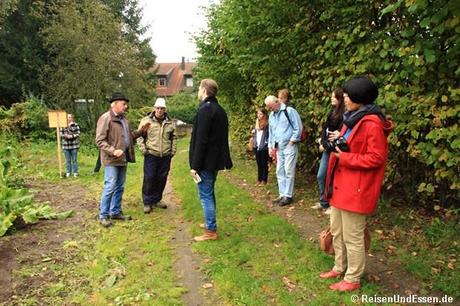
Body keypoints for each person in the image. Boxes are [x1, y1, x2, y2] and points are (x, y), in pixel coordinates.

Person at [320, 76, 393, 292]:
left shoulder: (372, 124)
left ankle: (353, 278)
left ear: (359, 98)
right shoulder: (352, 117)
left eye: (346, 97)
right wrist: (338, 139)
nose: (344, 100)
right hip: (341, 185)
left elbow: (376, 158)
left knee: (353, 237)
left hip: (356, 189)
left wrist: (346, 158)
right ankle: (339, 266)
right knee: (337, 231)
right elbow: (352, 145)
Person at [95, 92, 151, 227]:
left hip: (123, 158)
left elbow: (129, 137)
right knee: (110, 186)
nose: (126, 107)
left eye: (126, 104)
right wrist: (113, 150)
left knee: (119, 186)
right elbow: (99, 140)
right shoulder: (106, 118)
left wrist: (141, 131)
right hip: (111, 159)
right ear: (114, 104)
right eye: (123, 104)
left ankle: (115, 212)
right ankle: (103, 215)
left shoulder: (124, 120)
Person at [189, 79, 233, 241]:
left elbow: (201, 140)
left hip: (206, 162)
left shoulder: (206, 110)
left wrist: (195, 165)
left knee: (205, 195)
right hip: (214, 161)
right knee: (209, 192)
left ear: (204, 90)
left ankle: (211, 231)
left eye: (199, 89)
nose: (198, 92)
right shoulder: (219, 109)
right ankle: (210, 222)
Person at [137, 97, 177, 213]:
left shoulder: (170, 123)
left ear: (165, 109)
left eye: (162, 108)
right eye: (158, 108)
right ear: (154, 108)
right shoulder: (146, 121)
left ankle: (157, 199)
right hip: (151, 154)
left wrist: (172, 151)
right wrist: (143, 150)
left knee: (162, 178)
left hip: (165, 155)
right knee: (149, 178)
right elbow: (139, 136)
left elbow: (174, 137)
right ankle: (147, 202)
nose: (159, 110)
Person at [311, 88, 345, 215]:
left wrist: (339, 135)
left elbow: (343, 134)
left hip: (337, 150)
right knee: (322, 175)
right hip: (327, 148)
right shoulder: (332, 111)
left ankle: (333, 205)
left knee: (333, 178)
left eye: (334, 97)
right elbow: (326, 128)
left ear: (340, 99)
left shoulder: (345, 115)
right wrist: (323, 143)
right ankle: (324, 201)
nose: (331, 98)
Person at [265, 94, 302, 206]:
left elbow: (298, 127)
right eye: (269, 107)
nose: (270, 109)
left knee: (288, 170)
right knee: (279, 171)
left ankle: (288, 195)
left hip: (289, 145)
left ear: (277, 102)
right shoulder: (272, 115)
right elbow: (271, 132)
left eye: (271, 106)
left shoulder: (289, 111)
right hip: (278, 147)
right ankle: (282, 195)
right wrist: (270, 147)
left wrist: (293, 140)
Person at [251, 108, 269, 186]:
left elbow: (266, 134)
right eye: (258, 114)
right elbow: (255, 133)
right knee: (259, 163)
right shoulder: (257, 122)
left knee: (264, 163)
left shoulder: (267, 123)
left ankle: (264, 180)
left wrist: (267, 143)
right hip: (257, 145)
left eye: (261, 114)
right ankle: (259, 179)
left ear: (264, 115)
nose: (259, 115)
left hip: (264, 146)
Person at [60, 114, 80, 178]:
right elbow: (61, 134)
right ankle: (68, 172)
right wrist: (65, 136)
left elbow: (78, 133)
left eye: (70, 117)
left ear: (72, 118)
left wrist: (71, 136)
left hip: (74, 145)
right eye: (68, 117)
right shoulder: (63, 125)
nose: (69, 118)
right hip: (65, 146)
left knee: (74, 160)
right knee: (67, 160)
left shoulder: (76, 125)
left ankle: (75, 172)